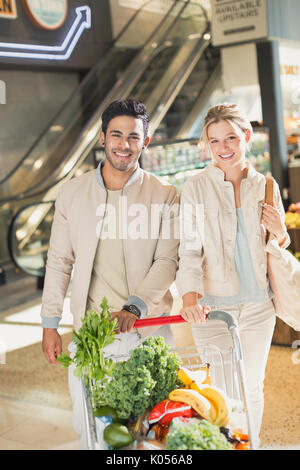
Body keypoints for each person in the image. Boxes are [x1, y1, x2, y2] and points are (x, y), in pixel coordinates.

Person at [41, 99, 179, 449]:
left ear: (145, 142)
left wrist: (134, 307)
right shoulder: (72, 193)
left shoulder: (166, 195)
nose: (124, 144)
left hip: (149, 331)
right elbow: (59, 260)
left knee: (152, 434)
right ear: (102, 138)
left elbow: (167, 260)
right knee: (93, 430)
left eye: (133, 137)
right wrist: (50, 322)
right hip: (94, 336)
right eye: (116, 135)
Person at [175, 103, 289, 448]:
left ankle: (248, 445)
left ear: (246, 137)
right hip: (213, 311)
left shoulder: (266, 185)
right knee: (223, 390)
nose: (224, 148)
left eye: (231, 138)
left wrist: (282, 231)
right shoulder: (195, 188)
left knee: (252, 384)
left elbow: (279, 245)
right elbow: (189, 249)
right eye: (214, 141)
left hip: (258, 307)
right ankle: (231, 444)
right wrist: (189, 294)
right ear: (207, 146)